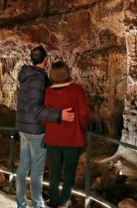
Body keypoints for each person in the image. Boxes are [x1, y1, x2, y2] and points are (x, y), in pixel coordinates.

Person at [16, 46, 75, 208]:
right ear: (46, 60)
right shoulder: (38, 79)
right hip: (35, 131)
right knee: (37, 170)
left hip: (23, 127)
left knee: (23, 166)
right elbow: (36, 108)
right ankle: (37, 204)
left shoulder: (27, 77)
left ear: (31, 58)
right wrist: (59, 115)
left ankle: (21, 203)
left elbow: (24, 104)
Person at [44, 61, 89, 208]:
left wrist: (49, 127)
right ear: (67, 73)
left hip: (53, 139)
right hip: (72, 138)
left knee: (54, 172)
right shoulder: (77, 90)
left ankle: (54, 202)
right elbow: (83, 113)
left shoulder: (48, 91)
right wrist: (81, 129)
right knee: (69, 173)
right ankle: (63, 202)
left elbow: (44, 115)